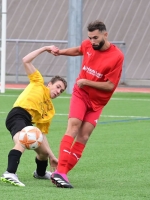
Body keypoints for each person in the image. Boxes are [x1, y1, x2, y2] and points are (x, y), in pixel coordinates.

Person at [49, 20, 124, 188]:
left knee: (84, 136)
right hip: (81, 94)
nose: (92, 42)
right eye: (90, 38)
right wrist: (60, 52)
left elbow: (110, 85)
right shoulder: (88, 45)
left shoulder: (117, 56)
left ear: (106, 34)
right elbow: (78, 50)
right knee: (73, 127)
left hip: (98, 102)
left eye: (95, 38)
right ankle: (60, 172)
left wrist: (87, 82)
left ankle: (61, 173)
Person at [0, 46, 67, 187]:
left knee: (43, 153)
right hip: (17, 115)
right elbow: (26, 60)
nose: (58, 91)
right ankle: (9, 173)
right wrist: (45, 48)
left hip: (28, 122)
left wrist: (52, 156)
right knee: (23, 141)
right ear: (49, 84)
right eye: (58, 87)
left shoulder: (50, 110)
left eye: (61, 91)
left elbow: (42, 133)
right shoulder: (38, 82)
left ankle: (40, 173)